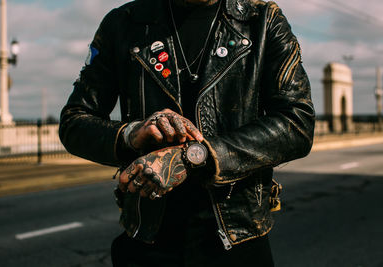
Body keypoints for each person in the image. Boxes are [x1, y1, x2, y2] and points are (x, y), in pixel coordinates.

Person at [59, 0, 315, 266]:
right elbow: (74, 122)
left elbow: (297, 123)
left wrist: (196, 156)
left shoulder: (261, 20)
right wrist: (132, 134)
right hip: (147, 239)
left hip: (238, 236)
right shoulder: (124, 22)